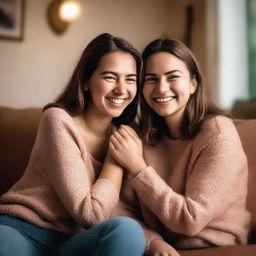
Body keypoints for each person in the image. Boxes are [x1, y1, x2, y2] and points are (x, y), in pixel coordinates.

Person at [0, 33, 146, 256]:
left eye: (130, 79)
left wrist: (153, 242)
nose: (121, 89)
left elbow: (122, 209)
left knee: (129, 231)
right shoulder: (57, 120)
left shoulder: (127, 140)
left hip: (75, 241)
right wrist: (115, 157)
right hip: (21, 229)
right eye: (110, 77)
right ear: (86, 80)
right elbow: (91, 214)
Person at [109, 38, 251, 255]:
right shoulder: (140, 138)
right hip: (160, 249)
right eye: (151, 79)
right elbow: (120, 208)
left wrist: (138, 167)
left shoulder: (218, 132)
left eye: (172, 77)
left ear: (193, 83)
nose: (162, 88)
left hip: (215, 248)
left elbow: (191, 220)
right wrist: (153, 241)